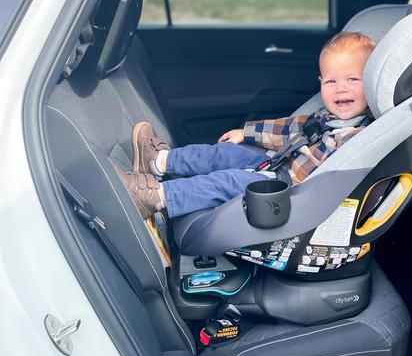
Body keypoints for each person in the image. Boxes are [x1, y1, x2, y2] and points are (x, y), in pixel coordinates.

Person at [118, 31, 375, 219]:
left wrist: (262, 176)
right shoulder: (324, 118)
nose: (341, 88)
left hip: (286, 192)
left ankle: (156, 198)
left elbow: (324, 187)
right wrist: (247, 133)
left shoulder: (360, 137)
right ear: (320, 82)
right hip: (277, 165)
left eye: (353, 79)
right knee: (225, 152)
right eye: (331, 82)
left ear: (372, 81)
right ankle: (159, 161)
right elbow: (288, 129)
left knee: (226, 181)